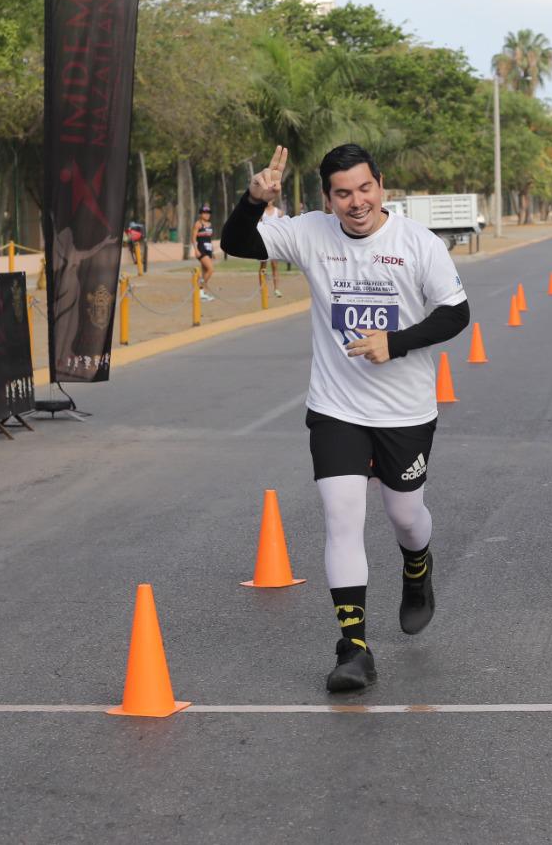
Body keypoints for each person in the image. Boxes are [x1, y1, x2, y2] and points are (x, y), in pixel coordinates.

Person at [222, 144, 471, 693]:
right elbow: (237, 243)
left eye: (364, 189)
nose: (356, 203)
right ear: (327, 198)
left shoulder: (417, 242)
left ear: (380, 185)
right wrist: (252, 200)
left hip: (405, 410)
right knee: (341, 516)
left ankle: (417, 567)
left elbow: (456, 312)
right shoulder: (311, 232)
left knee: (405, 516)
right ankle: (353, 647)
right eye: (342, 193)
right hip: (336, 407)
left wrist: (397, 342)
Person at [263, 201, 287, 298]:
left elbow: (284, 226)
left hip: (274, 243)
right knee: (263, 266)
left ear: (273, 200)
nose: (268, 202)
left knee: (274, 266)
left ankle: (276, 289)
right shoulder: (261, 212)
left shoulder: (279, 212)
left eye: (270, 200)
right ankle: (263, 290)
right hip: (264, 242)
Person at [193, 204, 217, 302]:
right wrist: (196, 250)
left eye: (208, 213)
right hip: (201, 249)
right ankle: (199, 289)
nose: (207, 215)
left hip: (208, 249)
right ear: (201, 214)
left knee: (205, 271)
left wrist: (213, 251)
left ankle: (203, 294)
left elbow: (209, 239)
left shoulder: (210, 224)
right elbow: (193, 238)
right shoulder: (198, 224)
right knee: (211, 269)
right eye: (205, 213)